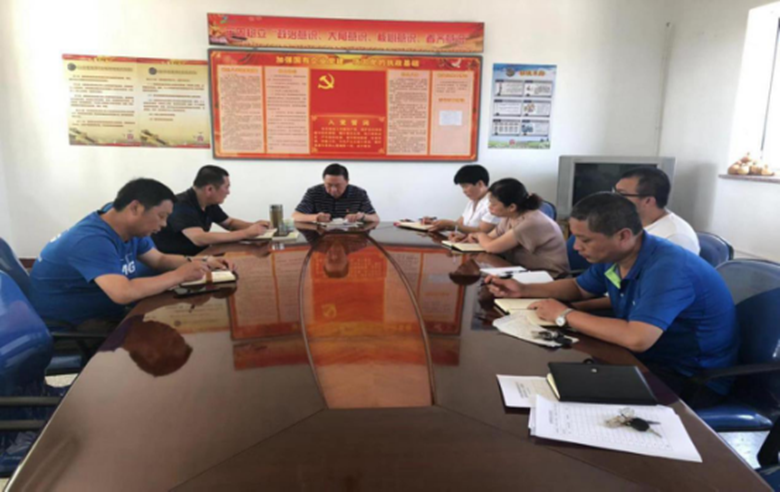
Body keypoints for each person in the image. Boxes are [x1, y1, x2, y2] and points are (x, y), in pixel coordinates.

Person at [487, 193, 738, 408]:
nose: (576, 248)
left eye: (585, 240)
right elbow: (579, 288)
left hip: (688, 378)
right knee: (551, 375)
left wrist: (564, 315)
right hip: (646, 359)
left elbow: (637, 338)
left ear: (623, 236)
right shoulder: (619, 256)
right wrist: (523, 289)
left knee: (564, 398)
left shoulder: (668, 268)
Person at [29, 178, 233, 328]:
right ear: (135, 208)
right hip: (75, 323)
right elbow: (123, 293)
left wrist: (204, 261)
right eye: (161, 216)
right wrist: (179, 275)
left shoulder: (125, 224)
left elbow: (159, 259)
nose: (164, 224)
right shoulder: (91, 241)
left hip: (107, 311)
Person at [457, 178, 568, 277]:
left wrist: (479, 234)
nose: (489, 207)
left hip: (548, 277)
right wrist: (467, 239)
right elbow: (490, 238)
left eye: (493, 204)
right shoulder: (510, 217)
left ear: (511, 207)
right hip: (522, 269)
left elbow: (491, 247)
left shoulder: (530, 222)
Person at [152, 165, 270, 256]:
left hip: (200, 255)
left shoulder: (208, 203)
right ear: (209, 189)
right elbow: (199, 238)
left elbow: (230, 223)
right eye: (226, 187)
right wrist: (246, 233)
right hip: (174, 262)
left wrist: (258, 226)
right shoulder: (181, 205)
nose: (228, 192)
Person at [614, 167, 700, 254]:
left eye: (621, 194)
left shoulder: (673, 237)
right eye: (614, 192)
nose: (613, 199)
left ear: (648, 201)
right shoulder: (628, 222)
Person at [423, 165, 499, 234]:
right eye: (462, 187)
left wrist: (452, 224)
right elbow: (459, 224)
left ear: (480, 184)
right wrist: (434, 223)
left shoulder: (494, 203)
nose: (464, 191)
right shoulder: (472, 201)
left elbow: (481, 231)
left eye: (465, 186)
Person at [292, 163, 379, 223]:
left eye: (338, 185)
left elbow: (375, 218)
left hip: (350, 236)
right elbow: (295, 216)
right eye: (329, 185)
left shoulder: (359, 193)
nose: (333, 190)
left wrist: (362, 216)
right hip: (320, 237)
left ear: (347, 182)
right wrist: (316, 217)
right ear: (324, 181)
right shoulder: (314, 192)